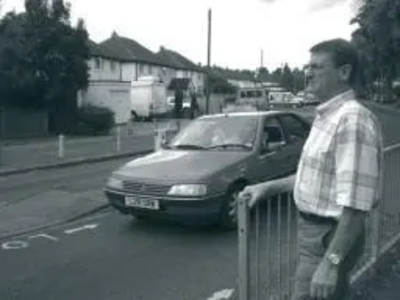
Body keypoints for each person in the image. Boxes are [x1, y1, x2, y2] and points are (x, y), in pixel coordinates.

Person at [238, 38, 383, 300]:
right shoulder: (327, 116)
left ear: (344, 72)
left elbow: (356, 205)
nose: (307, 72)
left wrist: (331, 263)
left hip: (329, 239)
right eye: (307, 66)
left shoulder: (351, 119)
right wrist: (267, 187)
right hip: (318, 236)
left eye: (317, 67)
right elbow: (315, 178)